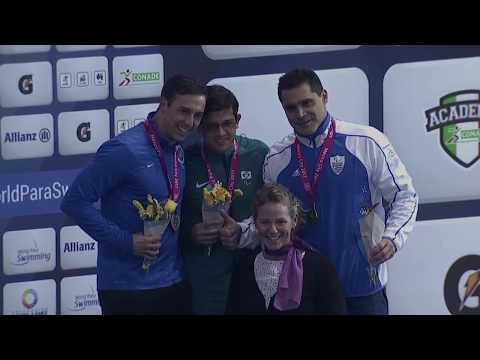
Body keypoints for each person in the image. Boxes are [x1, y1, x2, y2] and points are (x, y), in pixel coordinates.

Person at [235, 68, 418, 315]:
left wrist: (392, 238)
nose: (300, 114)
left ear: (324, 96)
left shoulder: (366, 141)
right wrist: (239, 232)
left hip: (362, 285)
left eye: (307, 103)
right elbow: (267, 221)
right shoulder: (277, 158)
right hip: (307, 291)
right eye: (291, 108)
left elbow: (405, 195)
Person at [61, 74, 207, 315]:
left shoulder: (178, 149)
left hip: (173, 282)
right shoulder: (124, 150)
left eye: (197, 115)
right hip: (127, 289)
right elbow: (74, 202)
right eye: (184, 111)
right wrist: (126, 241)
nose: (190, 122)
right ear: (164, 104)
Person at [179, 84, 269, 315]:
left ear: (237, 120)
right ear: (199, 125)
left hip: (255, 272)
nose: (220, 133)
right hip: (204, 278)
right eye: (211, 126)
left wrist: (245, 232)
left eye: (227, 124)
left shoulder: (259, 154)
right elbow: (169, 215)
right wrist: (190, 232)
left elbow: (276, 211)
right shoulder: (184, 160)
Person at [225, 184, 346, 314]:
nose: (273, 230)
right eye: (265, 222)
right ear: (255, 223)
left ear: (293, 221)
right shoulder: (244, 267)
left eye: (280, 222)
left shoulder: (321, 269)